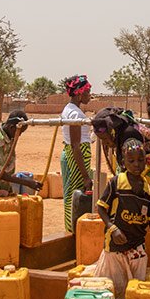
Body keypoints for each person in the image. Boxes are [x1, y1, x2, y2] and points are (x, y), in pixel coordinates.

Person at [92, 139, 150, 299]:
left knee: (133, 290)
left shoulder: (148, 191)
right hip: (115, 246)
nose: (136, 164)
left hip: (137, 247)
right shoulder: (116, 183)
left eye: (141, 160)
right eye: (131, 161)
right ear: (123, 162)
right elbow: (101, 208)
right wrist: (112, 228)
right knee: (114, 289)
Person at [60, 75, 95, 233]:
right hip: (77, 157)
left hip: (71, 154)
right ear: (80, 93)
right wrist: (86, 176)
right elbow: (76, 146)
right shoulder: (75, 115)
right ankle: (74, 230)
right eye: (88, 91)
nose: (90, 95)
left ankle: (70, 227)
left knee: (70, 194)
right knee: (76, 193)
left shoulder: (69, 110)